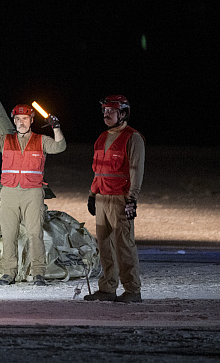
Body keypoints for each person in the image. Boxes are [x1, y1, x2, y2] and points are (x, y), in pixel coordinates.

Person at [0, 103, 66, 285]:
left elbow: (59, 147)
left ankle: (38, 273)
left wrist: (56, 127)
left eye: (25, 119)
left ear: (31, 120)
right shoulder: (6, 140)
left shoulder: (41, 140)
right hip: (9, 192)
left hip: (32, 193)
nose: (21, 122)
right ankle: (9, 273)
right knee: (9, 234)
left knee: (35, 234)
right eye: (17, 119)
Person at [84, 94, 145, 303]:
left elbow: (136, 170)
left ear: (123, 113)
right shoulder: (101, 137)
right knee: (105, 245)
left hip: (120, 198)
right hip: (102, 197)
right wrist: (92, 194)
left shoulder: (132, 137)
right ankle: (107, 288)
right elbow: (97, 170)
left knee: (124, 245)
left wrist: (132, 199)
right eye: (105, 111)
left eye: (111, 111)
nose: (106, 114)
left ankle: (132, 290)